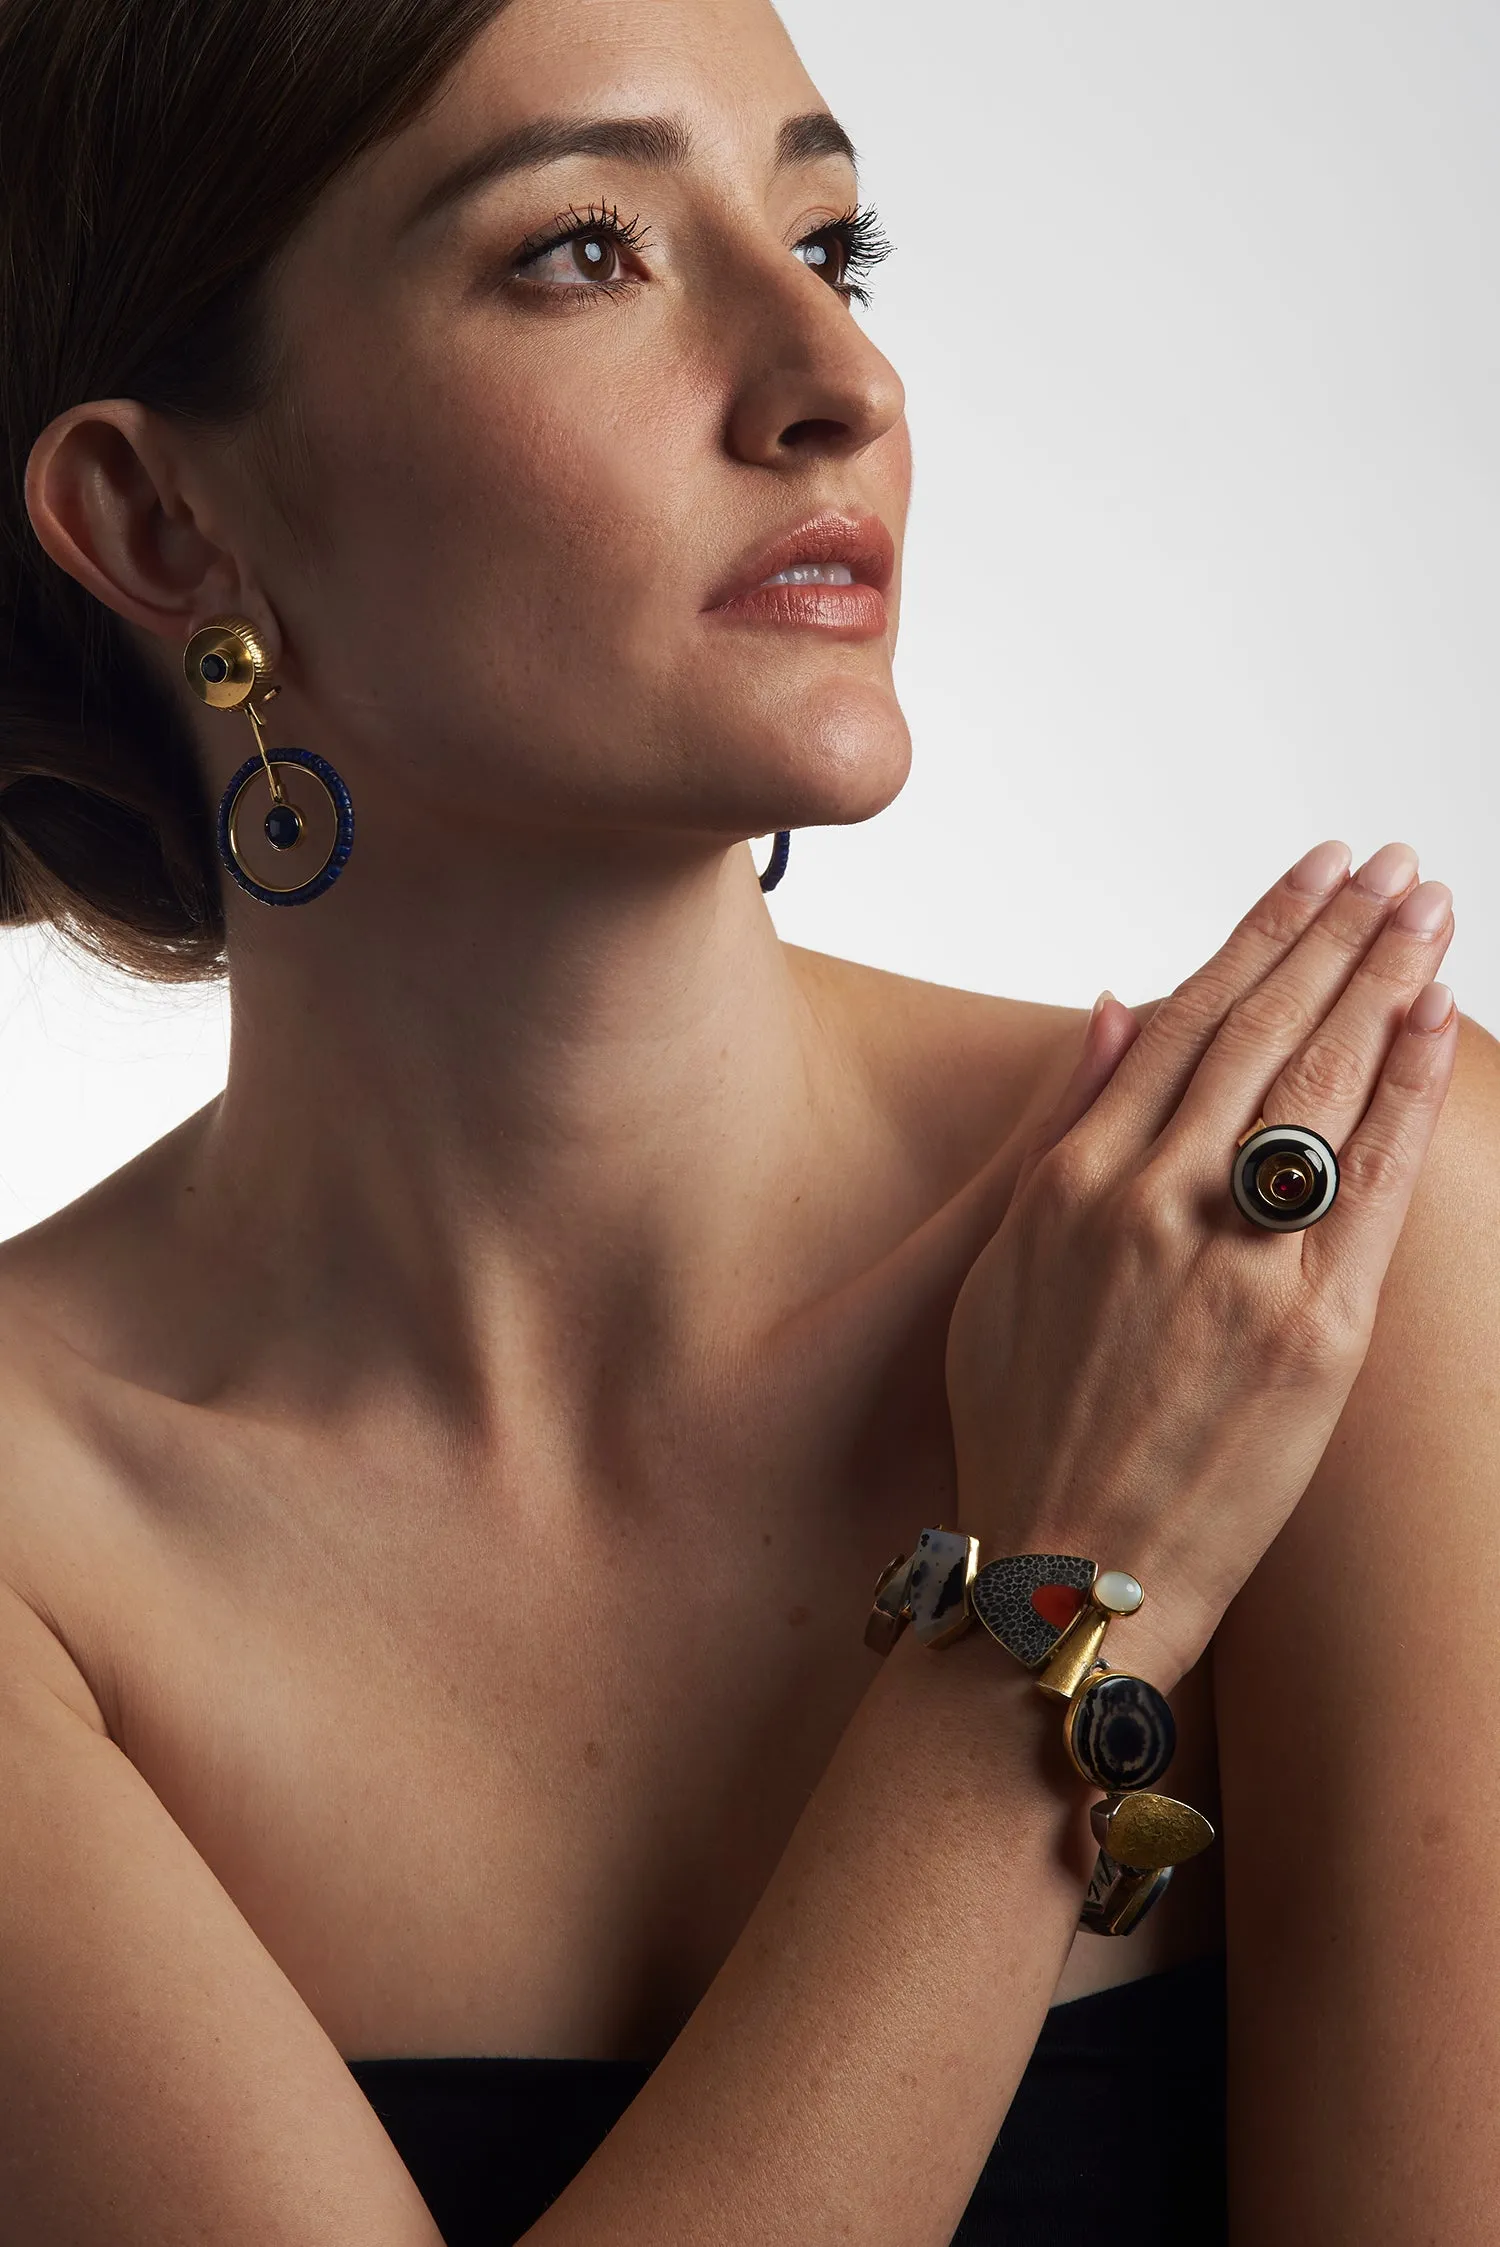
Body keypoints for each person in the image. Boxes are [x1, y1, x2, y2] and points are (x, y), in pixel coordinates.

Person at [0, 0, 1495, 2241]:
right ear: (158, 514)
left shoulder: (1327, 1232)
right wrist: (1055, 1597)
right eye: (585, 248)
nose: (840, 382)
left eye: (836, 237)